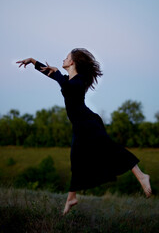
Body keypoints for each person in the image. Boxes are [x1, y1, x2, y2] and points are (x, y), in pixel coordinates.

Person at [16, 48, 152, 215]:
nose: (63, 59)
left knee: (111, 149)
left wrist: (57, 73)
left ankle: (141, 176)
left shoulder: (78, 81)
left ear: (72, 62)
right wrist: (32, 61)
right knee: (76, 159)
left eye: (66, 57)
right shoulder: (69, 79)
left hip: (88, 123)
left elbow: (66, 87)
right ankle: (71, 198)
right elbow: (54, 76)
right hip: (80, 125)